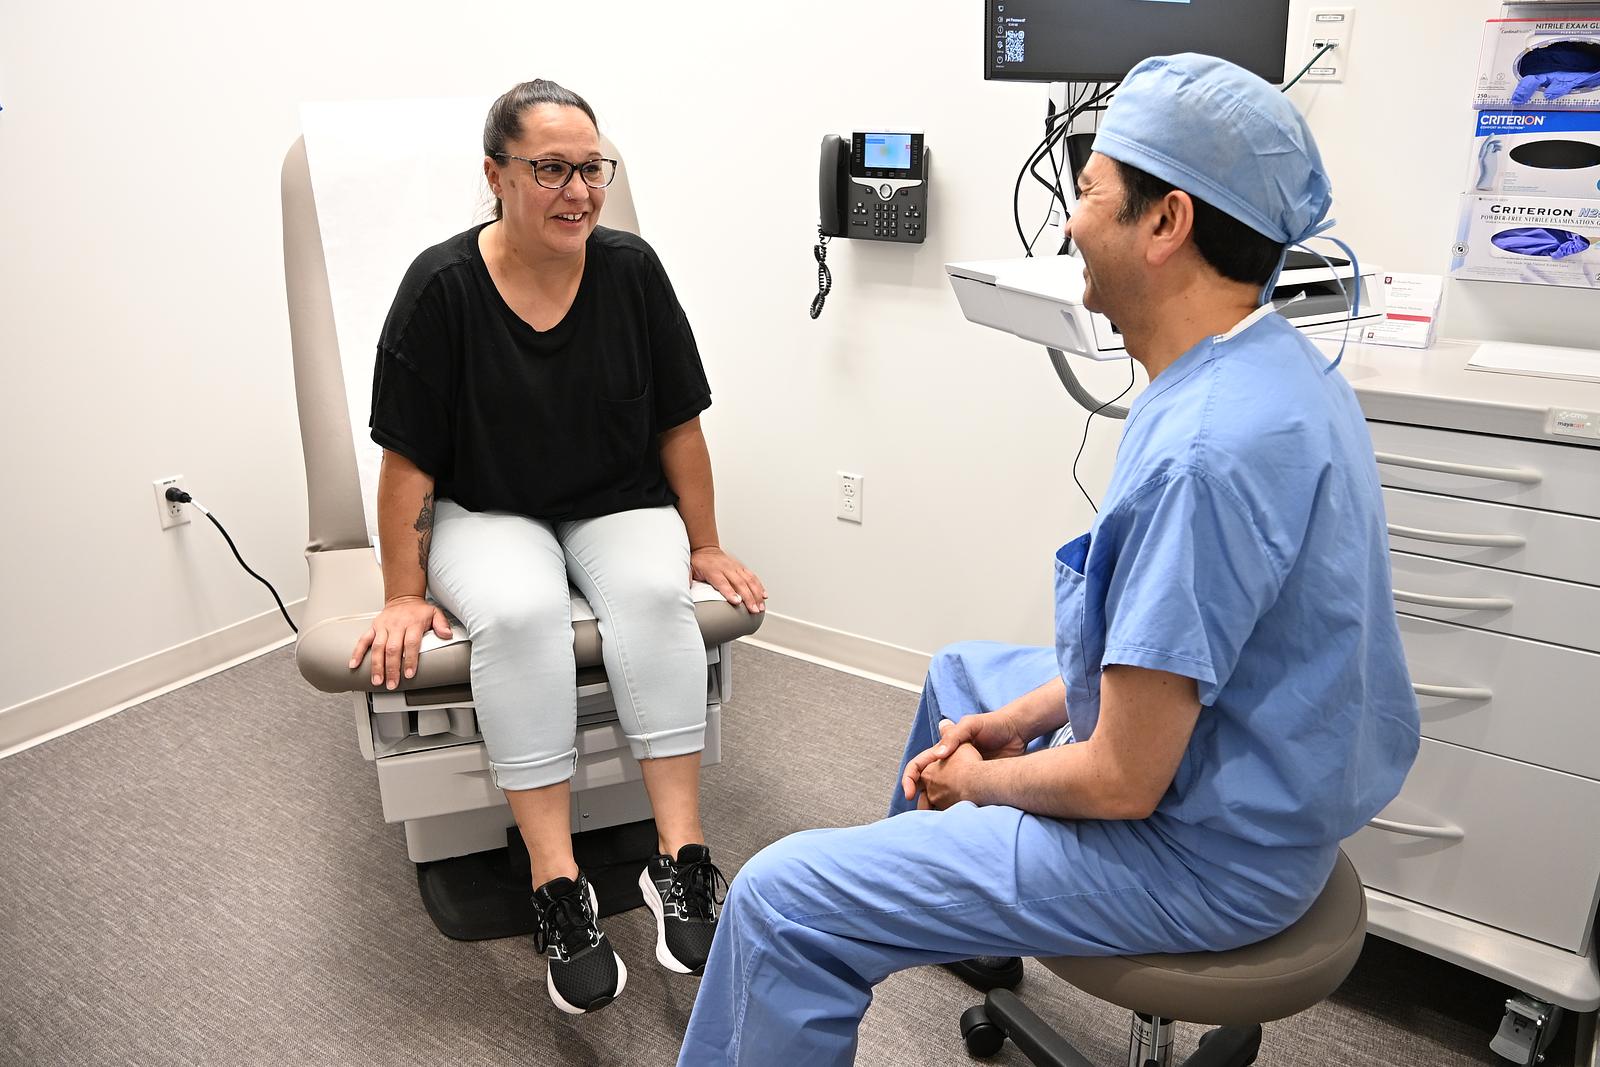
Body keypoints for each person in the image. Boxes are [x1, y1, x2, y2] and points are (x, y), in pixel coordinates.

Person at [677, 54, 1419, 1066]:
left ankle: (870, 915)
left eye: (1090, 195)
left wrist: (983, 782)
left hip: (1200, 855)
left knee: (778, 898)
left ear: (1167, 224)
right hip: (1258, 771)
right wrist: (1008, 724)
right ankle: (960, 918)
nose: (1070, 223)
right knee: (959, 675)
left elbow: (1121, 778)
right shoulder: (1270, 362)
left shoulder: (1206, 451)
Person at [347, 79, 765, 1016]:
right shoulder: (441, 289)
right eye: (551, 169)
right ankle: (555, 884)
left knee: (657, 605)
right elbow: (407, 463)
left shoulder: (632, 271)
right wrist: (402, 592)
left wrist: (703, 543)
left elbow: (679, 426)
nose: (578, 191)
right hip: (485, 509)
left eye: (592, 169)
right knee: (525, 614)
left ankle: (680, 861)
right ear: (497, 176)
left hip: (614, 501)